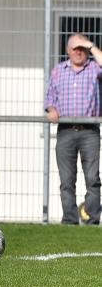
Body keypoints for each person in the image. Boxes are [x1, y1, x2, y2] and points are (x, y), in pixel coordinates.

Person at [45, 33, 102, 225]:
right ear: (68, 50)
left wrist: (90, 45)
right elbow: (50, 97)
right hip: (65, 131)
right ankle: (69, 221)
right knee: (67, 181)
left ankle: (93, 220)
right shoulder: (58, 71)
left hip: (90, 131)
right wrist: (51, 109)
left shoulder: (94, 69)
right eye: (75, 48)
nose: (79, 52)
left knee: (93, 179)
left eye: (82, 49)